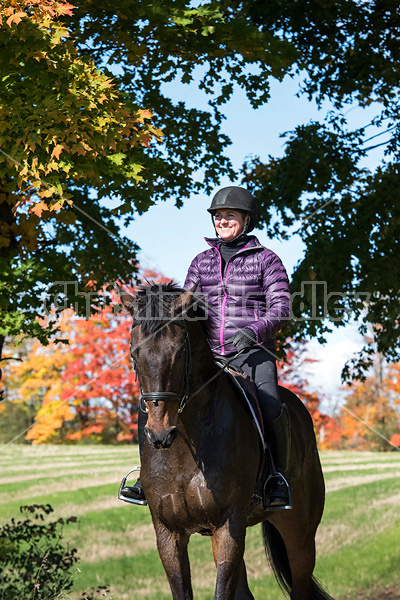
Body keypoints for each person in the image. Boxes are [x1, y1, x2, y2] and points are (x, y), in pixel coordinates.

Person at [121, 186, 291, 509]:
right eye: (218, 216)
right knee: (156, 399)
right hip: (210, 356)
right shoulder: (201, 262)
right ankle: (147, 480)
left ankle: (276, 479)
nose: (223, 221)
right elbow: (185, 309)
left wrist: (253, 332)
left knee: (269, 404)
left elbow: (281, 307)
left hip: (253, 354)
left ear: (247, 219)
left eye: (230, 216)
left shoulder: (266, 260)